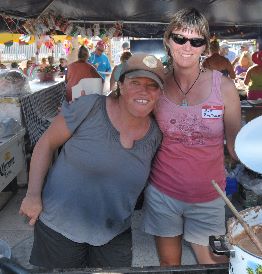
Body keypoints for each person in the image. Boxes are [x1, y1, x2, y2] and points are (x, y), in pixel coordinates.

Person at [19, 53, 165, 269]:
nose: (144, 91)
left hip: (114, 233)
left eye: (152, 86)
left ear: (160, 93)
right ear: (121, 85)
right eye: (135, 82)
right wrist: (32, 195)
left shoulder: (155, 135)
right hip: (61, 228)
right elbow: (45, 144)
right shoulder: (89, 107)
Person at [142, 7, 241, 266]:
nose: (187, 46)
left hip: (209, 195)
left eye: (196, 41)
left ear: (205, 47)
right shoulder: (156, 83)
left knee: (214, 266)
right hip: (163, 191)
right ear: (167, 40)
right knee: (169, 267)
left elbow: (235, 146)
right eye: (180, 38)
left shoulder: (224, 87)